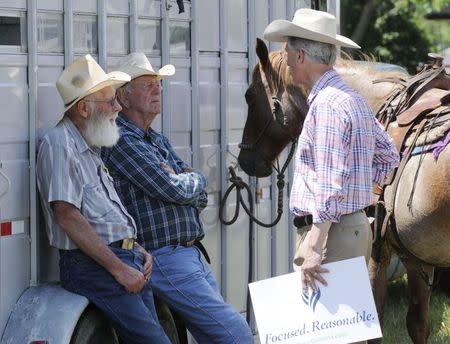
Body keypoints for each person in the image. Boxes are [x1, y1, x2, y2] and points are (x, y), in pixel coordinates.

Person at [102, 52, 253, 344]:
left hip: (185, 254)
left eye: (158, 84)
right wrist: (188, 181)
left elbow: (197, 195)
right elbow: (174, 188)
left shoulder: (154, 138)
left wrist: (188, 182)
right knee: (235, 334)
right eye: (148, 84)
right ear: (124, 96)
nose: (157, 89)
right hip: (163, 256)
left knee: (217, 336)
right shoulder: (121, 138)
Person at [36, 54, 171, 344]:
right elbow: (67, 216)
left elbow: (102, 216)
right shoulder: (60, 144)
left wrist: (136, 248)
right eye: (110, 101)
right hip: (92, 265)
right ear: (84, 108)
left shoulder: (90, 145)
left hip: (122, 258)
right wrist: (119, 269)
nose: (118, 108)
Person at [263, 9, 400, 294]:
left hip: (329, 237)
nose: (285, 58)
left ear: (301, 56)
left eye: (288, 50)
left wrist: (314, 245)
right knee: (348, 334)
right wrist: (355, 190)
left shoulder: (325, 105)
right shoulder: (353, 100)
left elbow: (329, 181)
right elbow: (389, 156)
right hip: (353, 229)